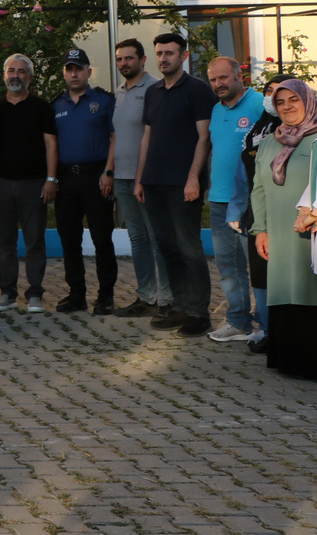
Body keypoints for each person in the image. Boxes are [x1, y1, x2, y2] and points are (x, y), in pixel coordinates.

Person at [135, 33, 215, 338]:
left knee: (189, 249)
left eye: (169, 53)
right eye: (159, 53)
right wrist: (141, 178)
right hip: (154, 182)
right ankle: (181, 306)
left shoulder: (197, 90)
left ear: (183, 55)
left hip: (183, 184)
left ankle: (199, 314)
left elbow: (203, 138)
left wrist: (194, 178)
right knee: (167, 248)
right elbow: (147, 137)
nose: (163, 58)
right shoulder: (154, 91)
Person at [251, 79, 317, 379]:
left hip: (311, 229)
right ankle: (288, 359)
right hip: (277, 230)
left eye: (295, 99)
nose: (288, 106)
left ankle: (312, 362)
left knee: (309, 290)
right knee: (282, 290)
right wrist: (260, 229)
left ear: (309, 100)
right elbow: (258, 189)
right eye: (281, 102)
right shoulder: (269, 141)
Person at [50, 49, 118, 314]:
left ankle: (106, 296)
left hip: (96, 177)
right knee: (70, 240)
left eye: (79, 68)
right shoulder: (56, 105)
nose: (74, 73)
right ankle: (76, 294)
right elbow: (51, 145)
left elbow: (115, 137)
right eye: (69, 69)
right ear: (64, 73)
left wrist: (109, 172)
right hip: (66, 180)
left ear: (89, 71)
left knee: (102, 238)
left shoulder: (103, 101)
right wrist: (52, 178)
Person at [229, 75, 294, 352]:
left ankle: (288, 332)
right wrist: (237, 207)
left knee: (288, 275)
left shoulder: (302, 128)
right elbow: (246, 172)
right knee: (261, 272)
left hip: (291, 214)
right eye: (270, 92)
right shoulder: (261, 128)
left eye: (283, 94)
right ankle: (266, 329)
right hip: (259, 213)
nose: (274, 98)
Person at [0, 55, 58, 314]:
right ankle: (7, 293)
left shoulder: (41, 107)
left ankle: (35, 294)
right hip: (1, 184)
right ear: (5, 75)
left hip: (33, 184)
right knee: (5, 243)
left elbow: (51, 143)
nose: (16, 75)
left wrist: (51, 179)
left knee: (34, 242)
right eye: (11, 71)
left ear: (29, 77)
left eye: (21, 71)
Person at [205, 56, 264, 342]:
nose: (218, 84)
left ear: (239, 76)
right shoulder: (216, 110)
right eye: (214, 79)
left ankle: (266, 326)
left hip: (251, 201)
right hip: (219, 201)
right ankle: (238, 322)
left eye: (223, 78)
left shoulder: (259, 104)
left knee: (260, 267)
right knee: (229, 269)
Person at [111, 39, 171, 316]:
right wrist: (108, 171)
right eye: (120, 59)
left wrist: (143, 177)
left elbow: (156, 136)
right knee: (137, 238)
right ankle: (145, 296)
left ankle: (166, 298)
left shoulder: (156, 89)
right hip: (121, 178)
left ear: (143, 59)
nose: (124, 63)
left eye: (129, 58)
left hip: (145, 179)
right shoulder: (119, 93)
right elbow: (115, 138)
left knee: (156, 238)